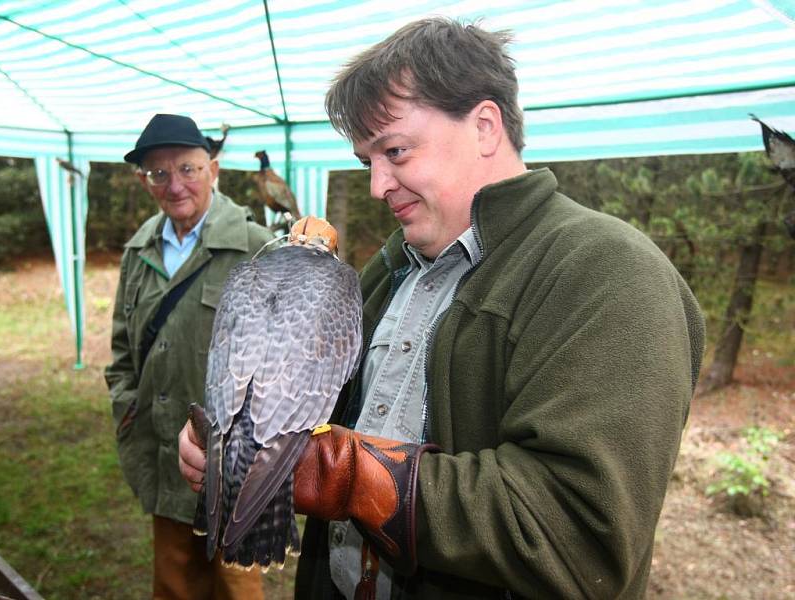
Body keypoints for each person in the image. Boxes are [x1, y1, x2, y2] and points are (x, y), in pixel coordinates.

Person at [179, 17, 705, 599]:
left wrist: (344, 477)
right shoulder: (385, 271)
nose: (379, 184)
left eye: (396, 151)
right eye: (366, 162)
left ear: (484, 126)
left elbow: (579, 539)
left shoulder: (608, 273)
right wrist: (245, 451)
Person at [106, 113, 272, 600]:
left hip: (234, 470)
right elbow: (122, 350)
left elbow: (287, 367)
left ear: (213, 169)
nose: (174, 185)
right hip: (161, 456)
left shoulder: (257, 251)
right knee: (175, 587)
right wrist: (127, 407)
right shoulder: (138, 251)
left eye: (188, 169)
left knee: (238, 587)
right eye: (159, 173)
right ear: (144, 180)